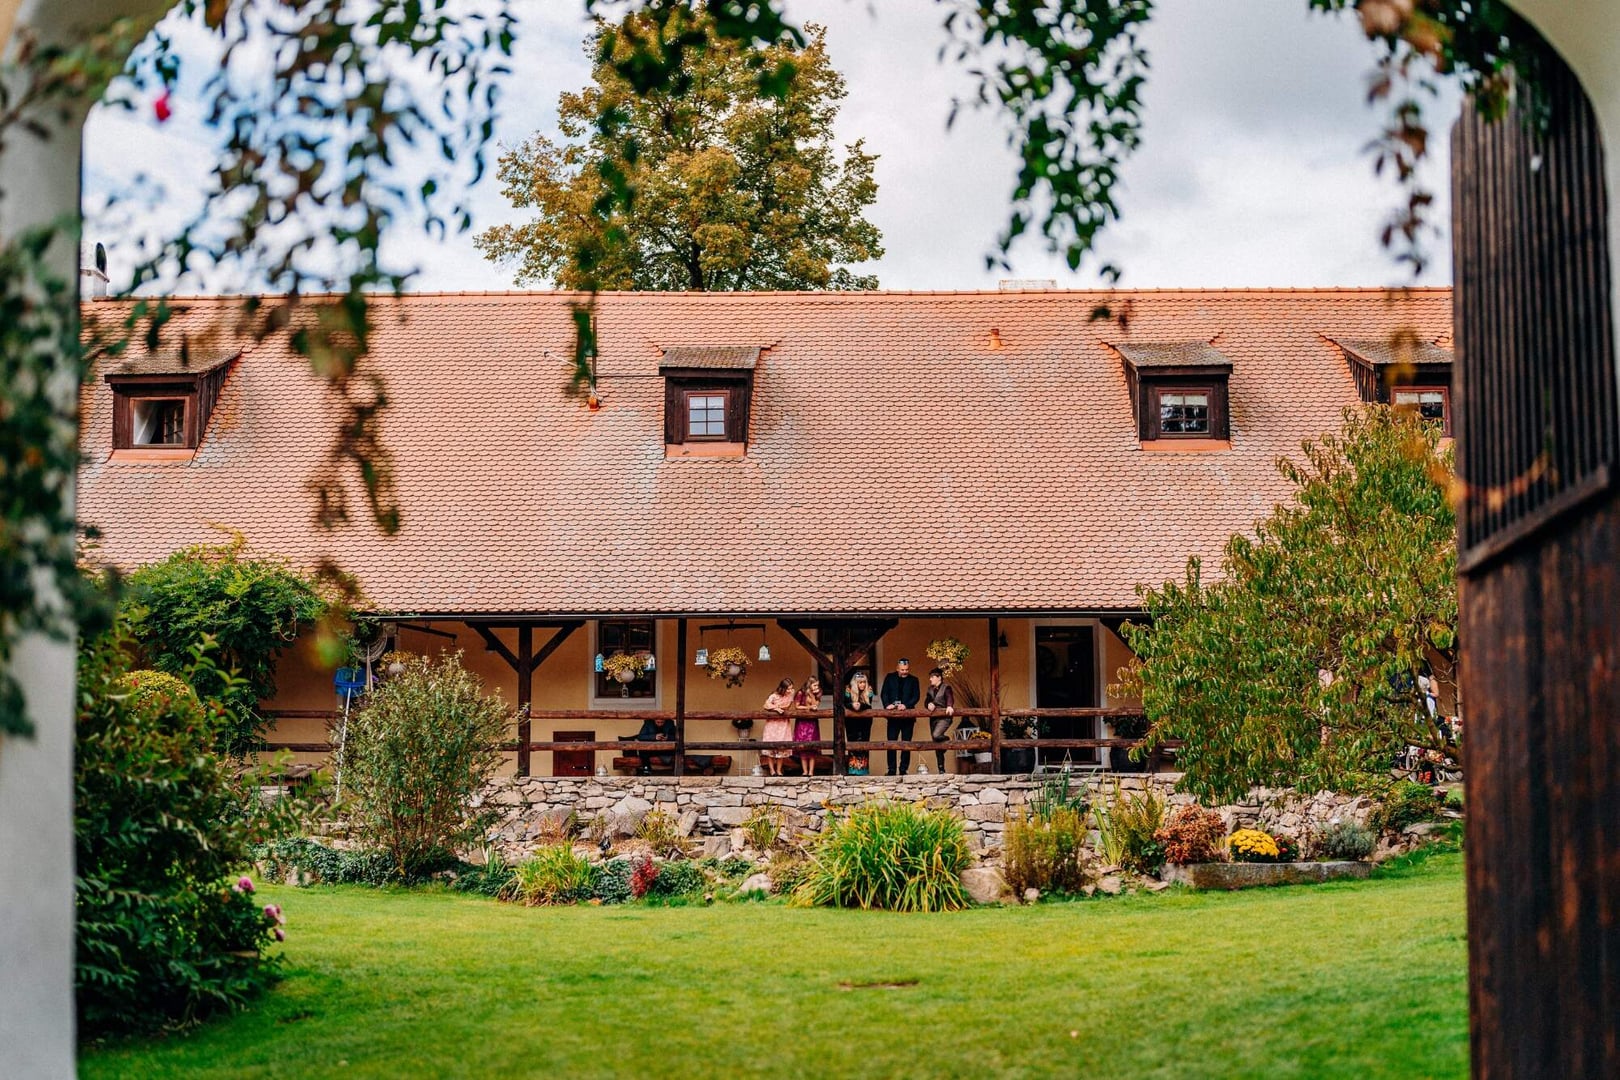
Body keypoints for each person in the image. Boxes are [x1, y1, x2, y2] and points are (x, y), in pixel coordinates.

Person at [880, 657, 921, 776]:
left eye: (906, 670)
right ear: (897, 668)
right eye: (902, 669)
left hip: (908, 717)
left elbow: (916, 696)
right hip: (893, 717)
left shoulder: (914, 680)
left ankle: (903, 769)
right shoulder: (889, 677)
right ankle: (891, 770)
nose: (904, 672)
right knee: (891, 742)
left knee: (906, 743)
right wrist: (887, 705)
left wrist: (906, 705)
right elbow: (884, 693)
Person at [761, 679, 797, 777]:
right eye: (788, 689)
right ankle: (772, 770)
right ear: (783, 688)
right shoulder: (774, 696)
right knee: (770, 747)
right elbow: (766, 705)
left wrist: (791, 695)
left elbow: (787, 706)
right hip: (772, 724)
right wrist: (776, 708)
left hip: (783, 724)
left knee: (782, 747)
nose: (790, 690)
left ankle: (779, 770)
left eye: (791, 688)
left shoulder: (789, 696)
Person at [924, 667, 955, 773]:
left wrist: (950, 706)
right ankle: (941, 769)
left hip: (944, 718)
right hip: (933, 719)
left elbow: (949, 697)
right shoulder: (930, 689)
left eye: (932, 677)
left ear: (939, 678)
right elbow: (926, 701)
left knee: (937, 735)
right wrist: (929, 704)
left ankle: (946, 738)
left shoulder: (946, 688)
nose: (930, 679)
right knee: (937, 744)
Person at [792, 677, 823, 777]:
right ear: (809, 685)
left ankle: (811, 771)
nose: (816, 687)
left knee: (812, 748)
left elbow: (816, 705)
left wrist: (813, 695)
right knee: (803, 747)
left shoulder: (818, 693)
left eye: (817, 685)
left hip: (812, 722)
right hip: (802, 722)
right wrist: (808, 707)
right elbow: (797, 706)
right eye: (814, 685)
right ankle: (805, 771)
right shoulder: (801, 693)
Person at [844, 671, 875, 768]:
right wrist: (852, 705)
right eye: (860, 682)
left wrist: (860, 705)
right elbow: (845, 703)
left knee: (864, 744)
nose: (862, 684)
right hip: (851, 723)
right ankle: (853, 769)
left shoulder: (868, 691)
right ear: (855, 683)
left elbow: (868, 705)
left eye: (864, 682)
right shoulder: (848, 691)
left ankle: (863, 769)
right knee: (853, 744)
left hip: (865, 722)